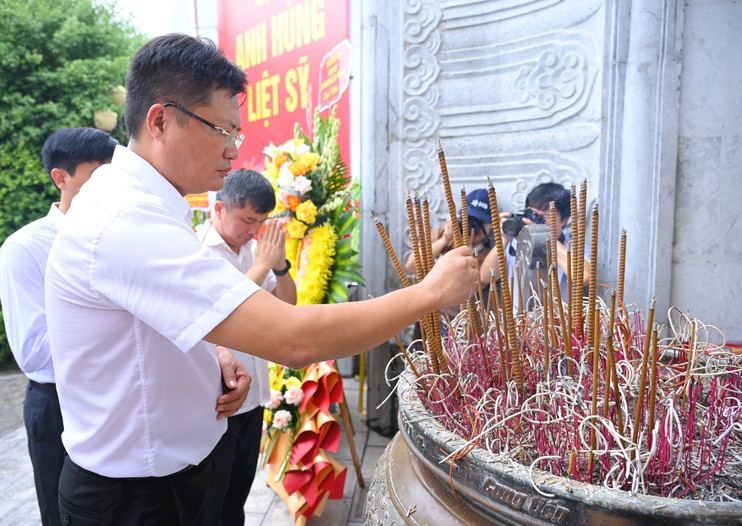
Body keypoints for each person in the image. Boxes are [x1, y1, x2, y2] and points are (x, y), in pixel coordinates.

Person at [44, 33, 478, 525]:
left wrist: (215, 352)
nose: (233, 151)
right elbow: (291, 337)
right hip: (136, 499)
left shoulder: (143, 203)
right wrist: (429, 293)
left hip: (174, 473)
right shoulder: (125, 220)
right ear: (160, 120)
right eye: (223, 130)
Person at [0, 127, 118, 526]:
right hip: (58, 402)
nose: (110, 190)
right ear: (60, 178)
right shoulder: (24, 249)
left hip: (115, 397)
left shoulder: (121, 237)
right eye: (97, 178)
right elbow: (33, 351)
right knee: (65, 514)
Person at [195, 168, 296, 525]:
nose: (253, 232)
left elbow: (288, 305)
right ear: (219, 209)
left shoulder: (256, 250)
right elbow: (223, 307)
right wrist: (264, 265)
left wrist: (280, 268)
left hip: (253, 398)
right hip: (216, 399)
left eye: (260, 223)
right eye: (247, 220)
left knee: (238, 494)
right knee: (212, 499)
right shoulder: (197, 249)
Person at [479, 181, 590, 311]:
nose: (536, 220)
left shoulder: (572, 246)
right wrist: (504, 237)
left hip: (557, 327)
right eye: (533, 214)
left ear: (564, 220)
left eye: (544, 217)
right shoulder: (515, 242)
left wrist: (544, 236)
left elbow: (584, 277)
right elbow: (486, 277)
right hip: (518, 325)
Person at [404, 188, 494, 274]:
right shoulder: (445, 232)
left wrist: (467, 249)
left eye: (480, 221)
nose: (474, 226)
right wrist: (444, 240)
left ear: (491, 224)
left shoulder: (488, 254)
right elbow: (411, 266)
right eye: (469, 219)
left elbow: (475, 285)